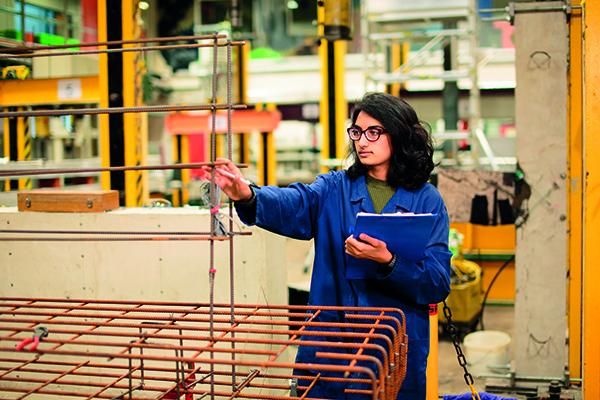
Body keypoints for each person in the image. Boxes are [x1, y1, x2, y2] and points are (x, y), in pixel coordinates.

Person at [207, 92, 451, 400]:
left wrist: (389, 261)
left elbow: (438, 283)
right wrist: (248, 195)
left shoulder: (427, 200)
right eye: (357, 132)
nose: (362, 141)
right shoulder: (334, 189)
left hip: (395, 350)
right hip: (332, 349)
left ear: (399, 134)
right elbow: (294, 202)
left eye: (374, 132)